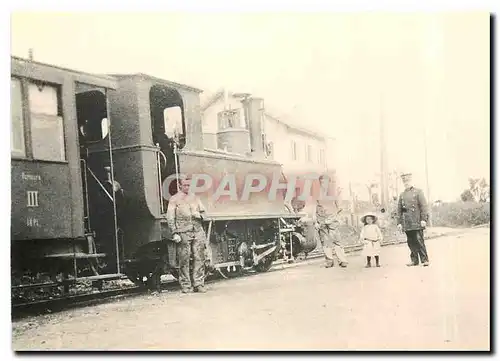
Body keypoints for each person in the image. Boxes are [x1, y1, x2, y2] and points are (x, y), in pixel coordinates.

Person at [166, 176, 208, 293]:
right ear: (180, 186)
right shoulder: (174, 200)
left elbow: (204, 214)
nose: (187, 187)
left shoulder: (195, 198)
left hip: (198, 231)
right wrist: (175, 233)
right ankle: (186, 285)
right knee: (184, 259)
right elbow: (170, 217)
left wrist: (198, 215)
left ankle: (198, 284)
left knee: (199, 257)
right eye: (185, 185)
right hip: (183, 232)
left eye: (189, 185)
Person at [397, 172, 430, 267]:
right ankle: (414, 260)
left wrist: (423, 219)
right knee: (410, 242)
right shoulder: (402, 195)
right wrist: (399, 223)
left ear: (411, 181)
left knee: (419, 240)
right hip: (407, 222)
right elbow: (399, 210)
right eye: (404, 182)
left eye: (408, 181)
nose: (406, 183)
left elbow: (424, 206)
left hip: (417, 220)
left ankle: (424, 260)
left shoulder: (418, 192)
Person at [315, 175, 348, 268]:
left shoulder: (334, 193)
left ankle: (342, 260)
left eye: (325, 182)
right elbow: (315, 207)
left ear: (329, 182)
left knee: (337, 240)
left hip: (332, 220)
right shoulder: (317, 194)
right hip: (321, 220)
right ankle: (329, 261)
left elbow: (340, 207)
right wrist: (316, 221)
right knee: (325, 242)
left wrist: (334, 216)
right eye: (321, 182)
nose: (323, 184)